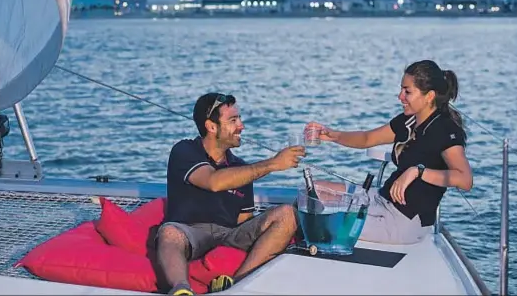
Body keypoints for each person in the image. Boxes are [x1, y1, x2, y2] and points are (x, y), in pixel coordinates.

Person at [304, 60, 473, 245]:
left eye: (407, 91)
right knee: (314, 191)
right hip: (381, 199)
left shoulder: (444, 129)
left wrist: (418, 171)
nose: (400, 96)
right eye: (401, 89)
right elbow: (367, 139)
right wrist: (333, 135)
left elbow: (464, 180)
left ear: (429, 96)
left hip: (404, 223)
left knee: (320, 222)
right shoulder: (409, 121)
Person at [156, 92, 305, 296]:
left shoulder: (240, 168)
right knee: (169, 232)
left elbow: (244, 220)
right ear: (211, 126)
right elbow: (213, 181)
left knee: (288, 214)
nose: (241, 126)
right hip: (189, 231)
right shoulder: (185, 150)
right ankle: (182, 290)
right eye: (233, 120)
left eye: (239, 119)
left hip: (228, 234)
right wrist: (273, 164)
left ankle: (235, 286)